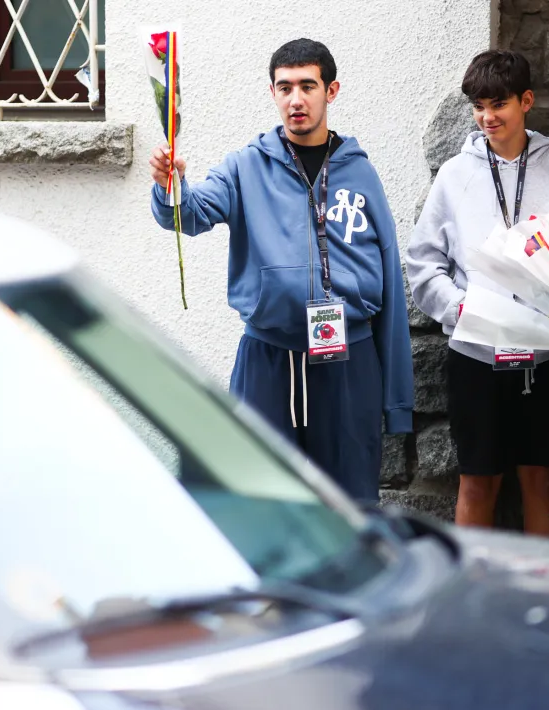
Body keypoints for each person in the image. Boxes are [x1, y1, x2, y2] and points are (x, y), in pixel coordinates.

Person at [148, 38, 413, 504]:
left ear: (331, 91)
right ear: (272, 91)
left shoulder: (360, 173)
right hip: (268, 359)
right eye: (285, 87)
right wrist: (171, 185)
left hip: (348, 359)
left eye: (307, 86)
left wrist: (397, 402)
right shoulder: (245, 167)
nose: (296, 99)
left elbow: (390, 277)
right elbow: (190, 214)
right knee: (263, 498)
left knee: (350, 503)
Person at [406, 50, 549, 536]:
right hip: (475, 352)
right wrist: (460, 308)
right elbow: (424, 261)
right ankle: (474, 602)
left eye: (499, 104)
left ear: (526, 101)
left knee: (542, 480)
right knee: (477, 482)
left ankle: (542, 598)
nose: (488, 117)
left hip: (545, 354)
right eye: (479, 106)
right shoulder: (454, 175)